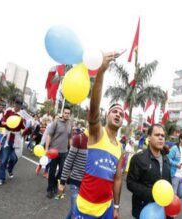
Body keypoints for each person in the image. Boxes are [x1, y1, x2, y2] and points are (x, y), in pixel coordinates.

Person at [73, 52, 124, 219]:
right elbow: (94, 111)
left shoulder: (120, 148)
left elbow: (117, 179)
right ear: (107, 116)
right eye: (114, 112)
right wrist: (101, 72)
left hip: (106, 210)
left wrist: (116, 206)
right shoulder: (97, 133)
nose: (118, 115)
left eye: (121, 114)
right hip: (85, 208)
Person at [127, 124, 172, 219]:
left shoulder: (166, 159)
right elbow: (130, 183)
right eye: (157, 135)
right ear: (149, 137)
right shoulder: (138, 158)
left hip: (161, 212)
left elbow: (168, 184)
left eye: (162, 136)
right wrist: (152, 194)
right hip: (143, 212)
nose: (160, 138)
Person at [0, 97, 27, 186]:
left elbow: (24, 128)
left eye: (20, 106)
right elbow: (2, 122)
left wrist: (29, 126)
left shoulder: (22, 115)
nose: (18, 108)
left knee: (14, 158)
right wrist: (8, 123)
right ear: (14, 104)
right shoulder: (9, 111)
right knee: (4, 159)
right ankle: (1, 178)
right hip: (8, 137)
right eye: (17, 105)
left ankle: (10, 169)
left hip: (17, 139)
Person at [58, 129, 88, 219]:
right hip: (75, 182)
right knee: (76, 212)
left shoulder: (96, 142)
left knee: (74, 211)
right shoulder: (79, 138)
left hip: (87, 185)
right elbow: (68, 161)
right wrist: (62, 182)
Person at [45, 106, 72, 198]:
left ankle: (54, 184)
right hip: (54, 152)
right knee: (52, 171)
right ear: (62, 113)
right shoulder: (56, 122)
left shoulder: (70, 124)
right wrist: (46, 149)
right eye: (65, 113)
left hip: (64, 153)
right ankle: (49, 189)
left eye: (68, 113)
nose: (67, 114)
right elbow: (49, 135)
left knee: (62, 171)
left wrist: (71, 149)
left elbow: (70, 138)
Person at [168, 133, 182, 199]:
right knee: (173, 196)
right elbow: (168, 159)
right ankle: (170, 207)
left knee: (181, 195)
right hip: (175, 175)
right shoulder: (174, 148)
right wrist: (175, 164)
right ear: (180, 139)